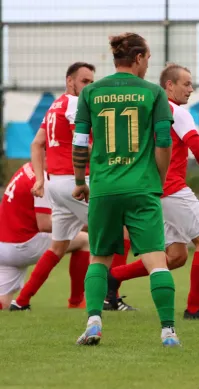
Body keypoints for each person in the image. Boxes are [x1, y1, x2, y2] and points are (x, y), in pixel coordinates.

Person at [72, 32, 179, 347]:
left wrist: (81, 181)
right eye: (148, 58)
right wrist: (157, 181)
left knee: (99, 258)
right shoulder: (154, 93)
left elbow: (80, 143)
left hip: (103, 188)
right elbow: (163, 142)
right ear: (140, 58)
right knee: (157, 260)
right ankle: (168, 332)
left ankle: (93, 322)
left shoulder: (91, 92)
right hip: (142, 187)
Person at [104, 63, 199, 320]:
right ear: (169, 85)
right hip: (172, 188)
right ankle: (193, 309)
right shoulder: (176, 111)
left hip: (149, 190)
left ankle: (112, 278)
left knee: (176, 256)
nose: (191, 89)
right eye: (186, 84)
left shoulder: (147, 110)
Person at [10, 62, 113, 311]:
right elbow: (83, 147)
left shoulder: (55, 105)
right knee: (113, 235)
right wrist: (112, 155)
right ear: (70, 81)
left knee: (58, 246)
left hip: (57, 184)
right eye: (84, 81)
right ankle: (109, 299)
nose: (89, 86)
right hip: (77, 183)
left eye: (92, 82)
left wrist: (39, 179)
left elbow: (37, 144)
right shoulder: (76, 105)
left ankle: (21, 302)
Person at [1, 163, 89, 310]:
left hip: (4, 245)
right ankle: (76, 301)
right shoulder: (43, 180)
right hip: (22, 244)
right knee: (85, 241)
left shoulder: (27, 168)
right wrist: (83, 223)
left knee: (3, 304)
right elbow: (45, 224)